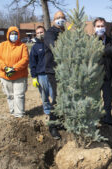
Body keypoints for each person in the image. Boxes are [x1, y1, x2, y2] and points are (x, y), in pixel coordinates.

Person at [0, 26, 29, 118]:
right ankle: (13, 113)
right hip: (5, 76)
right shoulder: (2, 45)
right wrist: (5, 68)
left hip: (20, 76)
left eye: (15, 34)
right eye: (11, 34)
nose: (13, 36)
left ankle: (19, 115)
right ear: (8, 35)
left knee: (19, 96)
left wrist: (14, 69)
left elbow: (25, 59)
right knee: (10, 96)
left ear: (18, 35)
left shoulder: (23, 46)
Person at [44, 11, 67, 139]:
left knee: (63, 97)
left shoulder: (65, 33)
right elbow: (54, 47)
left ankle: (60, 122)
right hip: (53, 70)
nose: (60, 19)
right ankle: (52, 125)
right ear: (53, 20)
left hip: (65, 70)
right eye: (58, 18)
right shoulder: (50, 33)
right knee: (57, 97)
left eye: (62, 18)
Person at [93, 17, 112, 126]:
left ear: (105, 27)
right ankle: (96, 119)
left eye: (102, 26)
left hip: (107, 75)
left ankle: (108, 119)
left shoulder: (110, 40)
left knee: (108, 99)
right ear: (94, 28)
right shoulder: (90, 41)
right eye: (98, 26)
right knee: (95, 99)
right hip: (95, 76)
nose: (100, 28)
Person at [29, 26, 53, 120]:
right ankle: (47, 112)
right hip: (41, 75)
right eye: (38, 33)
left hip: (51, 74)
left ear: (45, 32)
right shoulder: (35, 48)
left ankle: (57, 112)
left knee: (54, 94)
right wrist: (34, 77)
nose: (40, 34)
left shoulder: (50, 44)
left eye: (41, 32)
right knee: (44, 95)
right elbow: (32, 63)